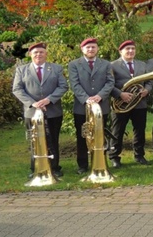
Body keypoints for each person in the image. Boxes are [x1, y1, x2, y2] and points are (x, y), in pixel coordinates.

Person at [12, 42, 68, 178]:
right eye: (35, 52)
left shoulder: (56, 68)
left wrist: (49, 99)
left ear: (46, 54)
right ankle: (36, 168)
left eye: (41, 52)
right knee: (34, 140)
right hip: (32, 112)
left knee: (53, 139)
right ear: (30, 54)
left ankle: (54, 168)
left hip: (53, 110)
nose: (38, 54)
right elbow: (17, 89)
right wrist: (33, 103)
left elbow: (63, 86)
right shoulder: (21, 70)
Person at [69, 37, 115, 174]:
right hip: (81, 107)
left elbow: (110, 82)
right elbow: (74, 84)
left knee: (100, 136)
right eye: (88, 47)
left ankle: (100, 162)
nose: (91, 49)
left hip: (101, 106)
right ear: (82, 49)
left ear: (97, 49)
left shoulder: (106, 64)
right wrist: (86, 99)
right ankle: (82, 165)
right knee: (82, 136)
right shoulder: (74, 64)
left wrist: (100, 96)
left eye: (93, 47)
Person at [109, 40, 151, 168]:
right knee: (117, 131)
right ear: (120, 51)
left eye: (133, 48)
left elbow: (149, 81)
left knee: (139, 130)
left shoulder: (142, 64)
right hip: (121, 104)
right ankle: (114, 157)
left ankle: (139, 155)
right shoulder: (112, 65)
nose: (131, 51)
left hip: (139, 103)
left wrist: (147, 90)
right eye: (127, 49)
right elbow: (108, 84)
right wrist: (120, 94)